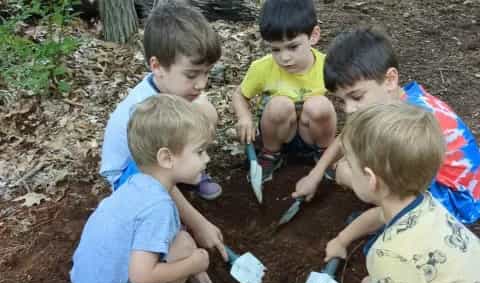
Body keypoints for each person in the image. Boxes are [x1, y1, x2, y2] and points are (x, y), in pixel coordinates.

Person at [326, 103, 480, 283]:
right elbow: (379, 216)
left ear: (370, 178)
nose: (344, 168)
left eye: (349, 166)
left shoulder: (390, 254)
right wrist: (342, 239)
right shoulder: (428, 204)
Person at [71, 94, 220, 283]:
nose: (206, 159)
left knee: (181, 243)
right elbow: (140, 276)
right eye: (200, 151)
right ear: (166, 158)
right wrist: (193, 263)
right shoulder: (158, 207)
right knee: (185, 246)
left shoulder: (136, 184)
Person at [294, 28, 480, 224]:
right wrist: (315, 174)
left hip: (457, 203)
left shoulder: (406, 122)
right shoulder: (396, 100)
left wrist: (349, 178)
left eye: (356, 97)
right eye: (342, 100)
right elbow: (349, 133)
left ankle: (387, 219)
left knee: (348, 171)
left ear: (390, 79)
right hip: (446, 183)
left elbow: (401, 184)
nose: (348, 109)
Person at [101, 0, 222, 200]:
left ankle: (192, 169)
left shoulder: (172, 87)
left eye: (206, 73)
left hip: (160, 161)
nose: (201, 84)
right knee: (165, 212)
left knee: (204, 110)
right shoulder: (145, 108)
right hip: (130, 175)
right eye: (191, 75)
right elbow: (155, 170)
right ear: (157, 66)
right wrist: (200, 224)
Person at [232, 0, 336, 183]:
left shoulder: (327, 66)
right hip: (279, 135)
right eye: (275, 49)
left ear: (314, 35)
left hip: (311, 134)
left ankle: (325, 153)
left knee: (320, 105)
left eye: (293, 46)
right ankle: (270, 155)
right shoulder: (262, 68)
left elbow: (347, 95)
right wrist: (244, 117)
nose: (285, 58)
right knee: (279, 104)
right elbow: (240, 95)